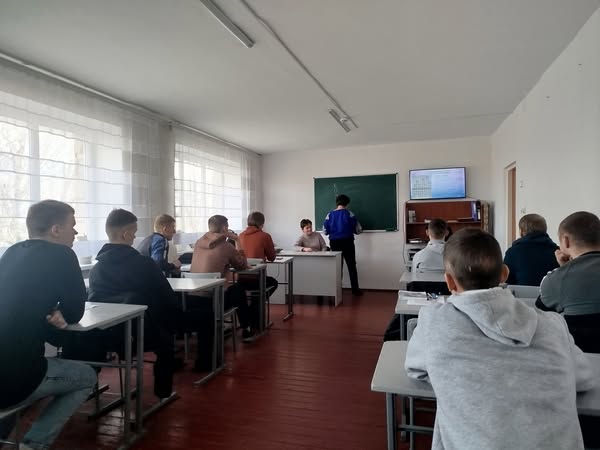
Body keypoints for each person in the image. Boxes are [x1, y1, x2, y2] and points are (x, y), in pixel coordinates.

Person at [405, 228, 595, 450]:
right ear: (504, 274)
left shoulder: (434, 322)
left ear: (449, 282)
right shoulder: (553, 324)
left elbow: (415, 368)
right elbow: (584, 379)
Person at [0, 200, 96, 450]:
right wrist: (57, 311)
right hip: (14, 377)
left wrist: (48, 308)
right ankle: (34, 444)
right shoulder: (63, 254)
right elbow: (75, 312)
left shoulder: (10, 252)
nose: (75, 232)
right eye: (72, 226)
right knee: (87, 376)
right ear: (55, 230)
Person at [86, 209, 215, 379]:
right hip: (147, 331)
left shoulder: (96, 269)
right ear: (125, 234)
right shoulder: (144, 264)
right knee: (206, 314)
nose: (134, 237)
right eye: (134, 233)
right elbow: (167, 300)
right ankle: (204, 364)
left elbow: (97, 303)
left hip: (111, 334)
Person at [537, 211, 600, 351]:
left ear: (565, 241)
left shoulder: (557, 279)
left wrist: (564, 269)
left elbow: (541, 309)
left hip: (581, 358)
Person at [191, 214, 254, 340]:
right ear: (225, 228)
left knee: (230, 288)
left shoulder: (198, 243)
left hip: (193, 299)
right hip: (214, 301)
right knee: (238, 289)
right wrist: (237, 240)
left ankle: (222, 326)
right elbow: (242, 266)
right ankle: (246, 328)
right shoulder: (226, 246)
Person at [503, 213, 559, 285]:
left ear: (521, 232)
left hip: (520, 292)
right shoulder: (557, 252)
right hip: (551, 292)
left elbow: (506, 279)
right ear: (545, 230)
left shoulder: (512, 252)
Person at [323, 194, 363, 295]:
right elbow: (358, 229)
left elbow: (325, 231)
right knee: (351, 265)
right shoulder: (350, 213)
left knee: (337, 266)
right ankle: (355, 290)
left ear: (337, 203)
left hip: (334, 243)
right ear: (346, 203)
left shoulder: (329, 214)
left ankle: (336, 290)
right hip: (348, 242)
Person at [238, 211, 279, 296]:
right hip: (258, 279)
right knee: (273, 282)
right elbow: (272, 258)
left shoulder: (240, 236)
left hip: (240, 279)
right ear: (262, 223)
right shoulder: (265, 236)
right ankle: (258, 302)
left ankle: (254, 303)